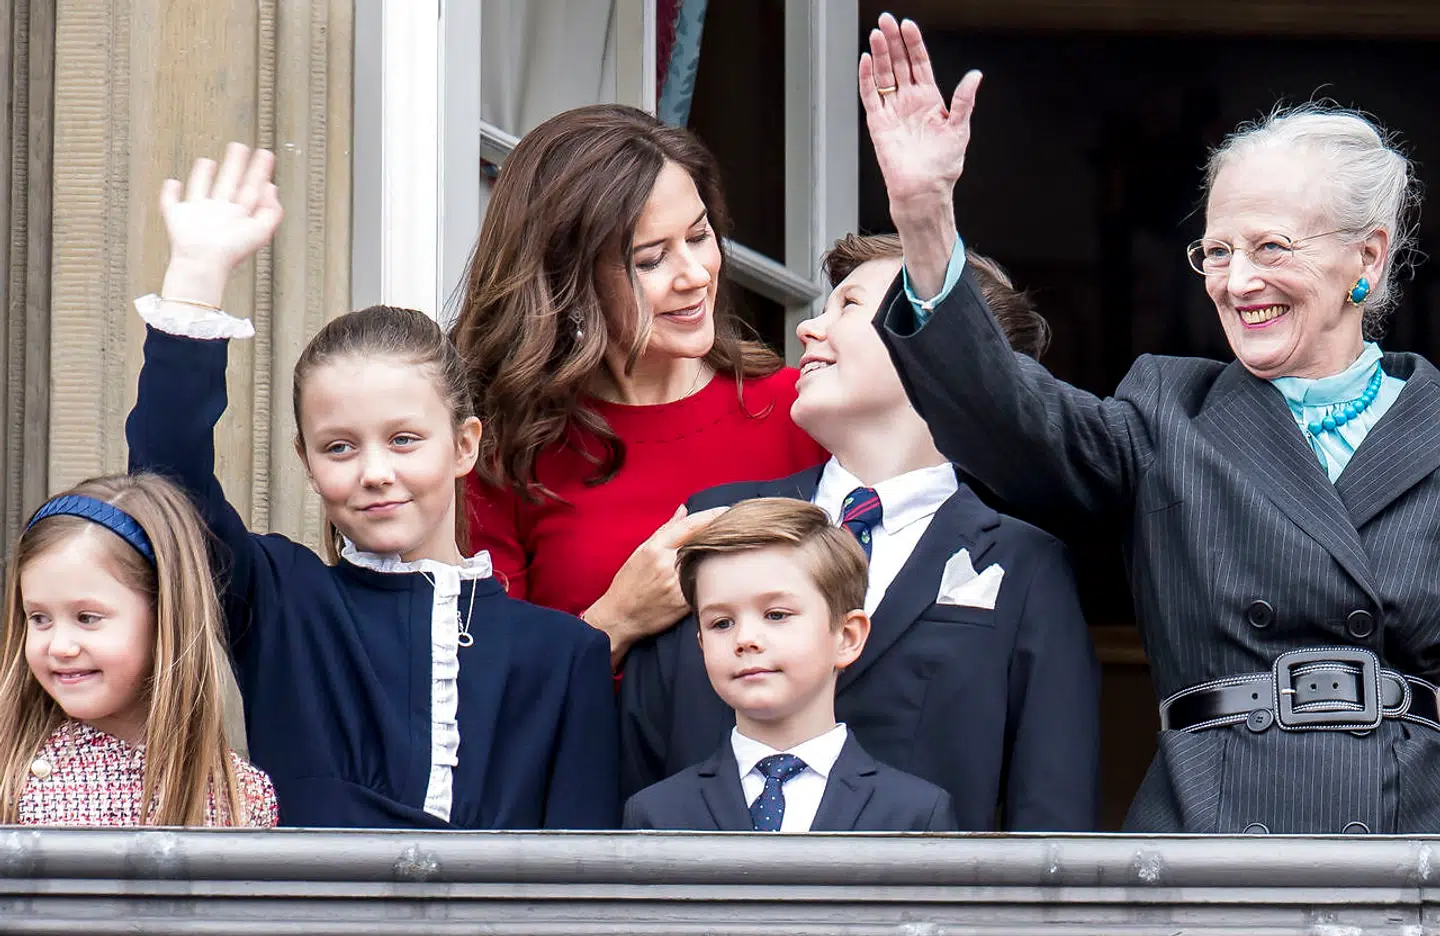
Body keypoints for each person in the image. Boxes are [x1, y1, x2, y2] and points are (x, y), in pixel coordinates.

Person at [862, 14, 1440, 834]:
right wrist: (925, 220)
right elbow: (1008, 423)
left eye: (1271, 247)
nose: (1238, 281)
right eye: (1217, 251)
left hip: (1413, 847)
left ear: (1368, 258)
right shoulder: (1169, 412)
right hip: (1218, 842)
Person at [126, 143, 619, 829]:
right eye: (340, 447)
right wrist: (197, 276)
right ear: (306, 461)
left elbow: (583, 890)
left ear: (465, 444)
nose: (375, 471)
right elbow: (166, 483)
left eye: (404, 439)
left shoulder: (564, 653)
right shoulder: (282, 600)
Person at [621, 232, 1099, 830]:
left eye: (847, 306)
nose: (807, 330)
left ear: (944, 349)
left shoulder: (1025, 566)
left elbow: (1052, 823)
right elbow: (635, 765)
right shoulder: (713, 525)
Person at [453, 104, 826, 666]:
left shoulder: (803, 409)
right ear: (566, 282)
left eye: (700, 236)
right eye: (650, 260)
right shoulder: (503, 450)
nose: (696, 274)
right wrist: (615, 621)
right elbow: (489, 699)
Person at [623, 498, 956, 831]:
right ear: (701, 643)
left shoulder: (915, 812)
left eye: (776, 615)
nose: (745, 638)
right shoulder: (657, 811)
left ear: (847, 636)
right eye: (721, 623)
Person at [0, 473, 276, 827]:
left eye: (87, 617)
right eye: (39, 618)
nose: (60, 646)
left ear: (164, 617)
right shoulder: (10, 769)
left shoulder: (240, 798)